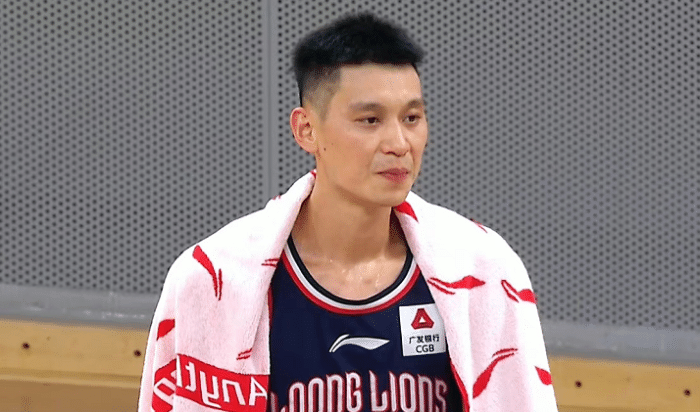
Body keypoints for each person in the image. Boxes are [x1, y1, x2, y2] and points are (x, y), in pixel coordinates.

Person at [138, 13, 558, 412]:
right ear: (306, 130)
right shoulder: (211, 279)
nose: (399, 143)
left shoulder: (484, 271)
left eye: (412, 117)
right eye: (370, 120)